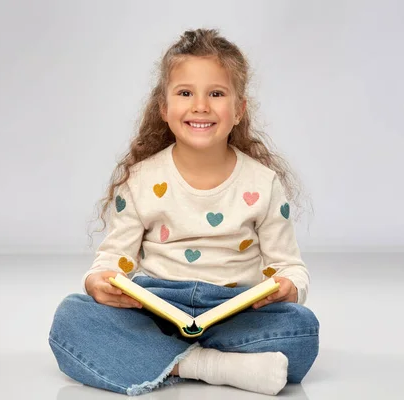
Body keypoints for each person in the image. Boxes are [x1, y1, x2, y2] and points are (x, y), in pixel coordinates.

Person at [49, 28, 319, 396]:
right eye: (185, 93)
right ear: (164, 107)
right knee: (71, 318)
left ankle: (157, 360)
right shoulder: (142, 179)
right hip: (156, 308)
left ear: (239, 110)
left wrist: (288, 289)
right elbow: (113, 260)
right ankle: (205, 365)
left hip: (231, 311)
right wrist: (98, 281)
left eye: (217, 94)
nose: (201, 106)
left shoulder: (264, 183)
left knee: (303, 330)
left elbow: (290, 268)